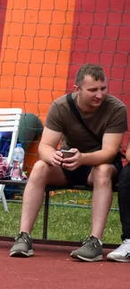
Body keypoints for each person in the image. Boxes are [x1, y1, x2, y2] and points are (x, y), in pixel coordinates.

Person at [10, 64, 126, 261]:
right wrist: (51, 156)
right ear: (77, 89)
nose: (99, 95)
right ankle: (23, 236)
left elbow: (109, 152)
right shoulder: (60, 106)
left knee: (103, 171)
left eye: (103, 88)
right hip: (69, 162)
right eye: (92, 90)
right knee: (39, 167)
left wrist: (82, 158)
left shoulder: (116, 109)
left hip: (98, 163)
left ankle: (95, 242)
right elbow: (45, 146)